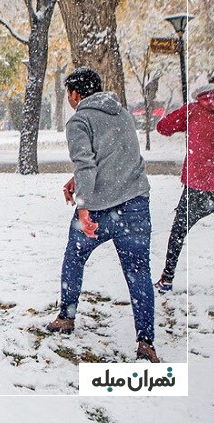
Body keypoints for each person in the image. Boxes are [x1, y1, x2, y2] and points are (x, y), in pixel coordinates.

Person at [46, 67, 158, 363]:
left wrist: (83, 208)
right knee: (139, 271)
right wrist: (78, 180)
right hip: (135, 205)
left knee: (74, 256)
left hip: (98, 208)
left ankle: (66, 317)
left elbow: (86, 165)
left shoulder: (79, 120)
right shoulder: (123, 114)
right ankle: (146, 341)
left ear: (74, 94)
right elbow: (116, 158)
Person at [153, 83, 214, 293]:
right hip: (200, 182)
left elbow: (163, 127)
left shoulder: (193, 110)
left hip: (198, 184)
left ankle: (167, 278)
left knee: (178, 231)